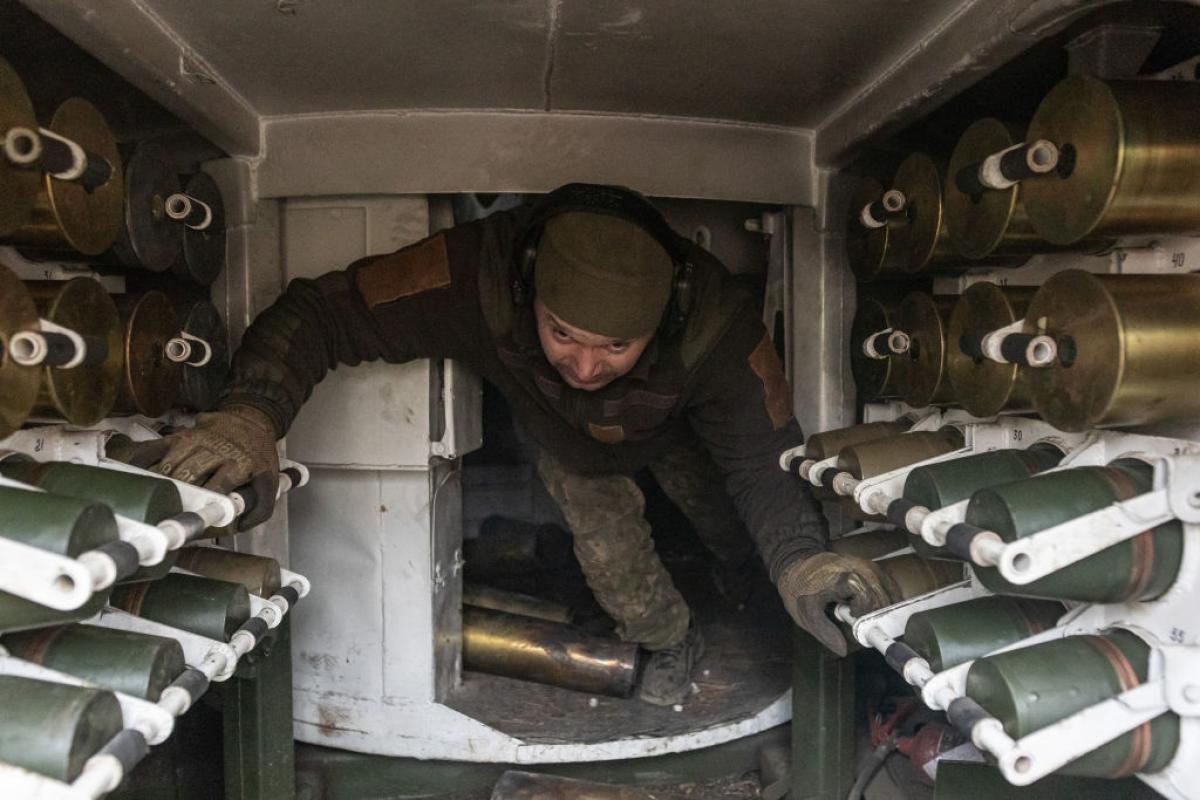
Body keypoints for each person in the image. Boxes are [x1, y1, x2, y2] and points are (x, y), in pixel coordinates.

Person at [127, 183, 896, 705]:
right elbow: (319, 313)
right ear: (530, 292)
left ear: (665, 321)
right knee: (613, 556)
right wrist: (250, 416)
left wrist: (800, 562)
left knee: (729, 520)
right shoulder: (478, 273)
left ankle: (743, 580)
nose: (585, 367)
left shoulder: (718, 324)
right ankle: (671, 639)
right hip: (570, 446)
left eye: (616, 346)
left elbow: (763, 463)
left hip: (680, 430)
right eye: (562, 334)